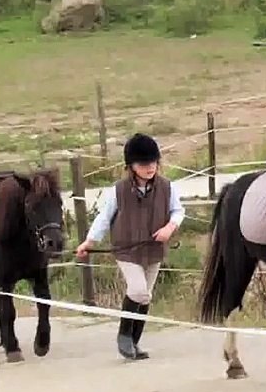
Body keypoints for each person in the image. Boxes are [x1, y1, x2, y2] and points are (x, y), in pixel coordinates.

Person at [75, 133, 185, 361]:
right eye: (144, 164)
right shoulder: (118, 190)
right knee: (138, 291)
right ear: (131, 166)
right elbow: (104, 218)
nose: (150, 168)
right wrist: (89, 241)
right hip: (127, 249)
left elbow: (178, 210)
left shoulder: (167, 187)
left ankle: (134, 343)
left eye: (153, 163)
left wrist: (170, 227)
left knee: (146, 297)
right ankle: (124, 336)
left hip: (153, 250)